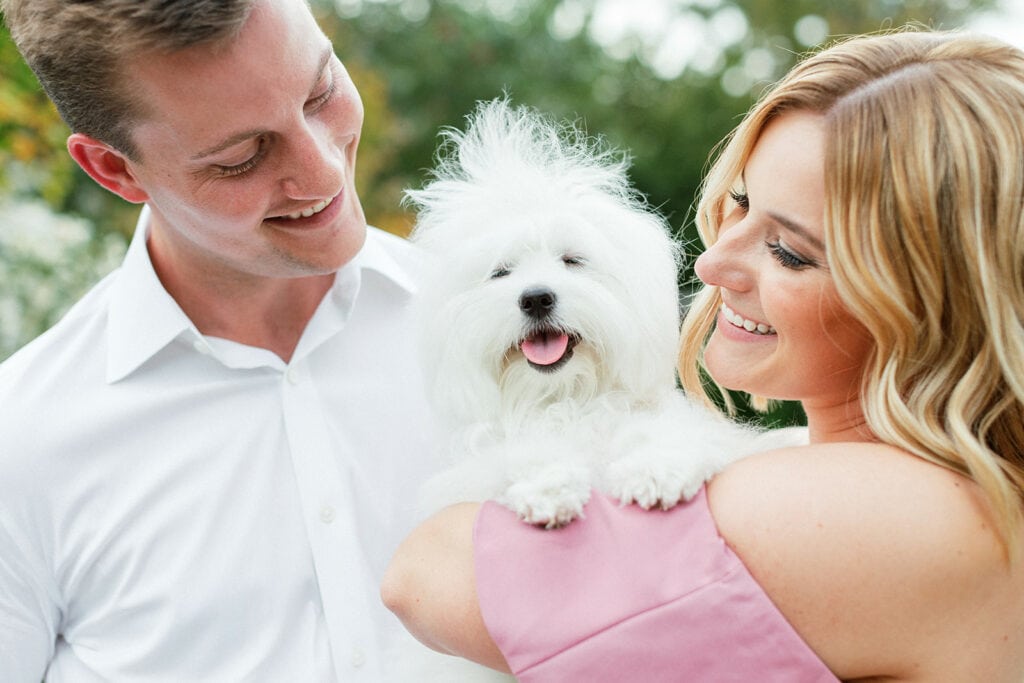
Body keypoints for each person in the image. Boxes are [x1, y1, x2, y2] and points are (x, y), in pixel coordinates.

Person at [381, 28, 1024, 681]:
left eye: (790, 251)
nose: (713, 260)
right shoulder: (959, 490)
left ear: (923, 305)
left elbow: (428, 574)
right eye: (740, 203)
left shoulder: (879, 511)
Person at [0, 1, 437, 680]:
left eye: (321, 90)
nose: (321, 171)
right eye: (241, 158)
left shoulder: (506, 331)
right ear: (115, 171)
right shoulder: (20, 448)